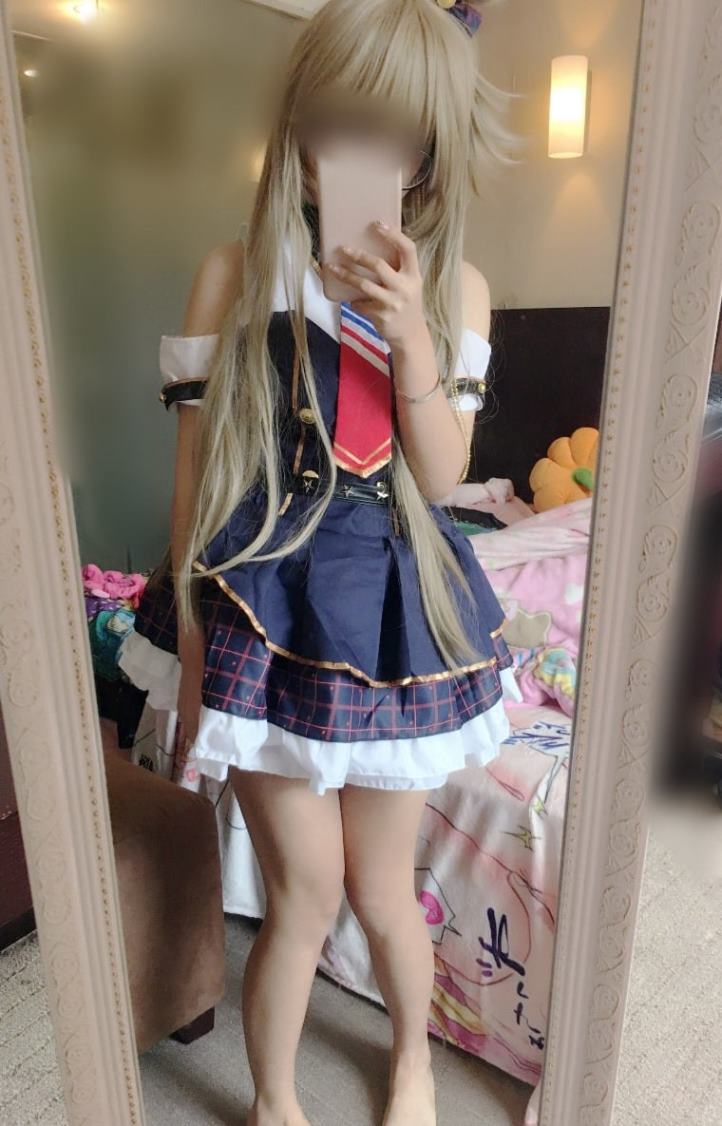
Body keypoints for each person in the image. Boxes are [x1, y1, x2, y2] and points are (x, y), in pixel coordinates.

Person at [117, 2, 521, 1123]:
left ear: (429, 152)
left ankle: (413, 1064)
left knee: (384, 891)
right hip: (264, 601)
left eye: (390, 134)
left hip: (395, 607)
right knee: (303, 892)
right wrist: (193, 660)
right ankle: (277, 1100)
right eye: (332, 121)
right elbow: (195, 486)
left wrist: (410, 333)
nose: (352, 154)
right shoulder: (235, 272)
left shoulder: (456, 289)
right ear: (295, 121)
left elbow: (440, 477)